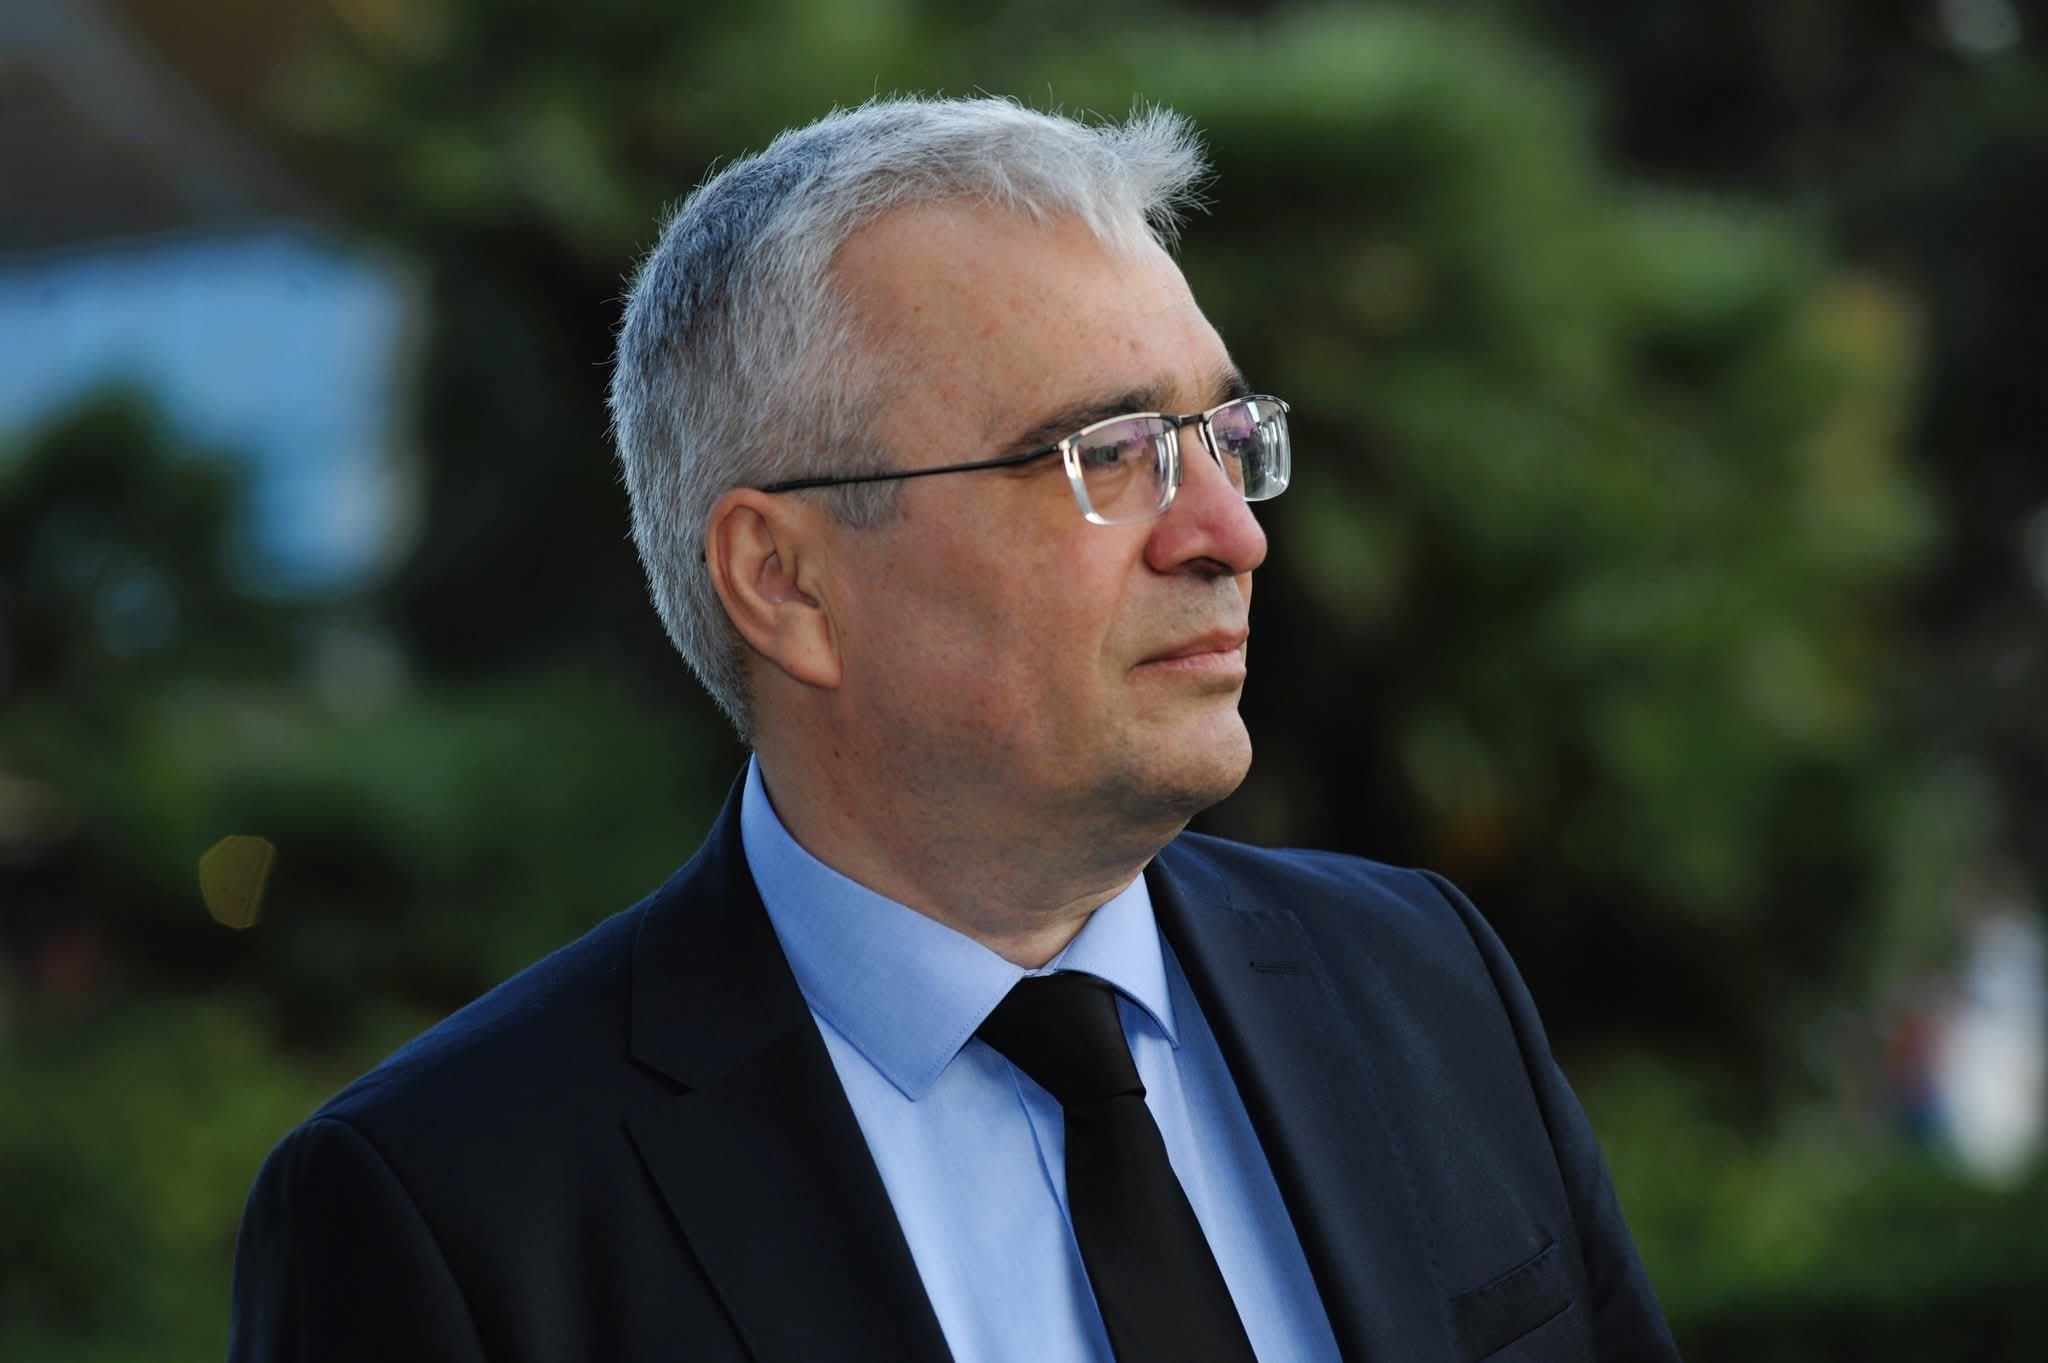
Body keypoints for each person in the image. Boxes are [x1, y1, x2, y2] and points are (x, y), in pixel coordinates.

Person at [228, 97, 1680, 1363]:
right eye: (1110, 453)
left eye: (1226, 440)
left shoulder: (1424, 981)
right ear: (786, 582)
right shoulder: (451, 1210)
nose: (1228, 533)